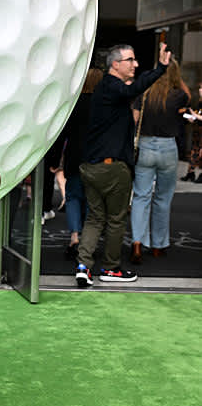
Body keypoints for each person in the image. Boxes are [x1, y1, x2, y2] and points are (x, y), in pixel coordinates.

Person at [76, 41, 171, 287]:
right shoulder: (112, 86)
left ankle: (84, 267)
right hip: (112, 168)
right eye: (131, 60)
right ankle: (111, 268)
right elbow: (133, 89)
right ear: (115, 64)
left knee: (95, 218)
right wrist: (160, 68)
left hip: (91, 166)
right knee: (116, 219)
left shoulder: (105, 89)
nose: (135, 64)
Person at [130, 58, 189, 263]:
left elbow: (134, 120)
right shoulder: (178, 95)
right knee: (163, 198)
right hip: (168, 148)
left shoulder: (144, 94)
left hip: (145, 145)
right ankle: (158, 245)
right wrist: (176, 76)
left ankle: (137, 242)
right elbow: (190, 96)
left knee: (141, 196)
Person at [53, 67, 103, 259]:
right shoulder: (103, 104)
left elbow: (62, 133)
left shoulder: (74, 103)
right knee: (93, 199)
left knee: (73, 197)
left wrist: (56, 158)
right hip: (96, 156)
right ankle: (89, 241)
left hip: (75, 156)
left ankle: (74, 236)